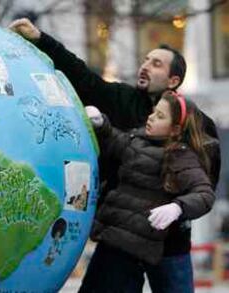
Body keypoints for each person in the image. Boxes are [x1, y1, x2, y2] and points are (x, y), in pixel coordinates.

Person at [8, 19, 221, 292]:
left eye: (156, 63)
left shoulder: (196, 123)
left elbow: (204, 181)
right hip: (120, 235)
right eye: (146, 59)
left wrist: (177, 207)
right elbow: (84, 79)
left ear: (174, 80)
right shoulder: (123, 99)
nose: (145, 65)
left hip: (169, 239)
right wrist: (41, 39)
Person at [84, 91, 215, 292]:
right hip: (110, 241)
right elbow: (114, 140)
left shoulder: (180, 156)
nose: (151, 117)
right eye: (154, 112)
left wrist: (177, 207)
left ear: (175, 129)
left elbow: (204, 195)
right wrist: (101, 123)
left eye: (160, 116)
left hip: (132, 252)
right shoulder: (139, 139)